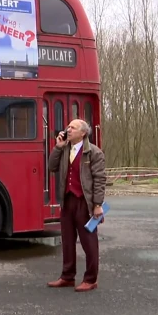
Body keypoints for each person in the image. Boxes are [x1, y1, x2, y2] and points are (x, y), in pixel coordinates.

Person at [46, 119, 107, 292]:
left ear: (83, 133)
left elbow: (100, 180)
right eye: (68, 127)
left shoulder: (94, 152)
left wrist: (97, 204)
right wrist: (58, 147)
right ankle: (67, 276)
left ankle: (90, 279)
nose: (68, 129)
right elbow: (52, 167)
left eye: (73, 127)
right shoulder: (64, 149)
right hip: (67, 200)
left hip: (85, 202)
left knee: (89, 242)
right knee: (67, 241)